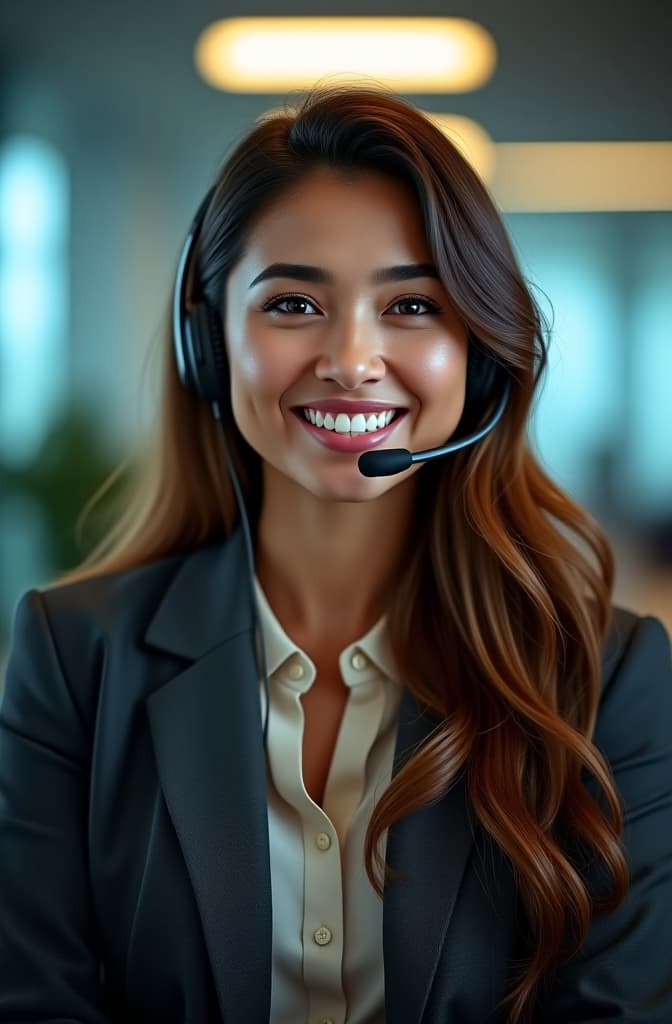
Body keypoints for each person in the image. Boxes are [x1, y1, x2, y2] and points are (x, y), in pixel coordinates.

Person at [1, 83, 671, 1024]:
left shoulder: (608, 679)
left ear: (476, 353)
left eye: (411, 305)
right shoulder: (73, 662)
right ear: (209, 340)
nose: (353, 359)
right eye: (293, 302)